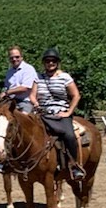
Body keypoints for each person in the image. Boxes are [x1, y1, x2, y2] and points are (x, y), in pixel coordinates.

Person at [33, 47, 86, 183]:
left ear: (57, 62)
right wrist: (36, 103)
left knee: (69, 135)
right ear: (44, 63)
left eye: (53, 61)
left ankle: (74, 165)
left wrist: (69, 112)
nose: (50, 63)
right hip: (42, 113)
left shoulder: (65, 77)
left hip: (60, 113)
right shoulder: (38, 77)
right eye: (47, 61)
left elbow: (76, 95)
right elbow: (32, 95)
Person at [2, 46, 37, 112]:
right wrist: (2, 93)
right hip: (10, 101)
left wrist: (7, 92)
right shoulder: (9, 72)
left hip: (24, 102)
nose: (14, 59)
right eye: (11, 58)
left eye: (17, 57)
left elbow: (24, 88)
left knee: (23, 117)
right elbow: (6, 87)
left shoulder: (28, 69)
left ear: (22, 57)